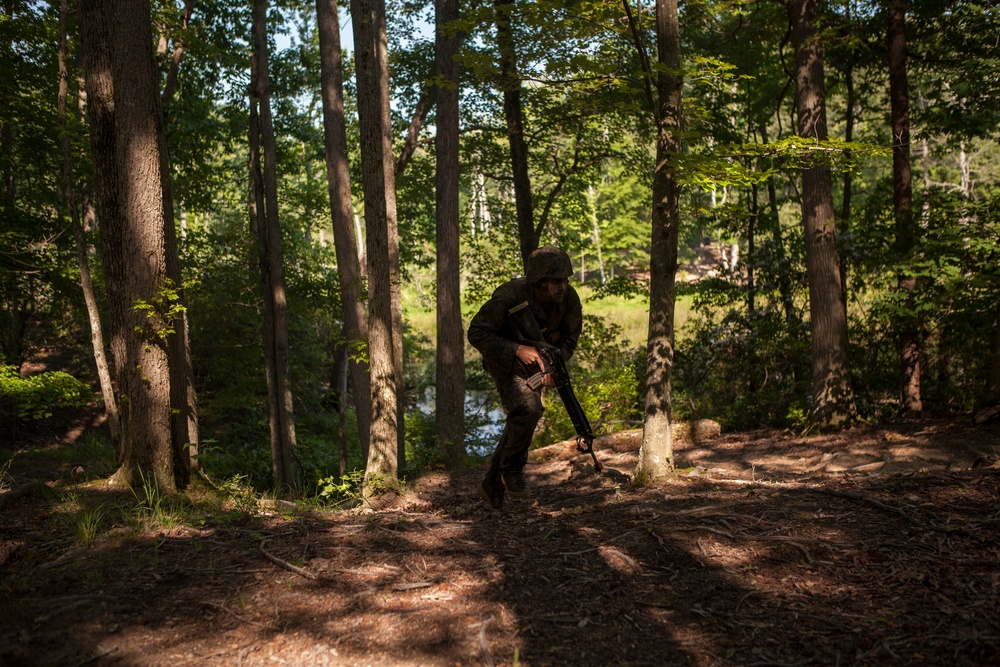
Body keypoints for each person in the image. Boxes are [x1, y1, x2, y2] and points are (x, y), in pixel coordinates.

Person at [467, 246, 583, 509]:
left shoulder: (569, 299)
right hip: (504, 359)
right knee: (528, 408)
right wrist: (517, 349)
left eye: (564, 280)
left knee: (522, 415)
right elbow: (477, 333)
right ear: (538, 281)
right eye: (554, 281)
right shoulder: (509, 295)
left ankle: (492, 483)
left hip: (541, 358)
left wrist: (554, 365)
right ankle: (512, 470)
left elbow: (569, 340)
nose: (561, 286)